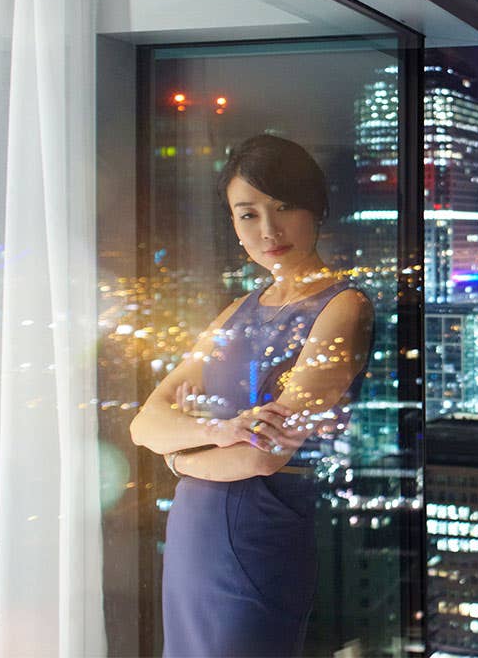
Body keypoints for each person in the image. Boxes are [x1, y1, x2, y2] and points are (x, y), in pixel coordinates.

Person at [130, 134, 374, 657]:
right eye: (248, 214)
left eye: (283, 207)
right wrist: (216, 432)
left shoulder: (342, 306)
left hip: (260, 536)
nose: (268, 230)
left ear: (317, 207)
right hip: (194, 536)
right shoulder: (239, 307)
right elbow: (143, 423)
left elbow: (264, 457)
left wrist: (177, 459)